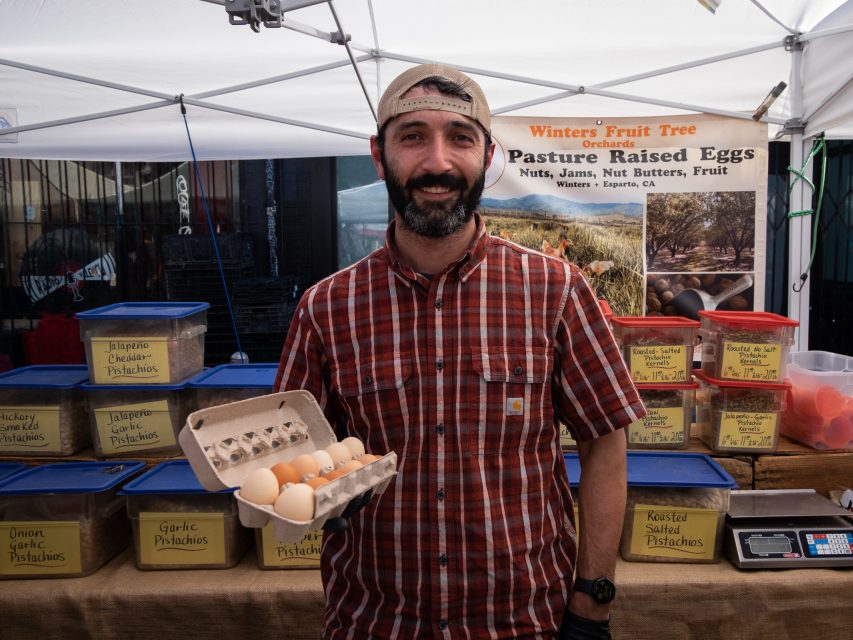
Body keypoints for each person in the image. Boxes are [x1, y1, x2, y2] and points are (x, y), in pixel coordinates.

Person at [274, 63, 646, 639]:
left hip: (525, 623)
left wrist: (592, 600)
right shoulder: (326, 308)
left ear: (488, 156)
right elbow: (291, 460)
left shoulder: (556, 290)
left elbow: (605, 443)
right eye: (413, 136)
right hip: (376, 622)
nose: (438, 162)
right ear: (380, 155)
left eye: (460, 138)